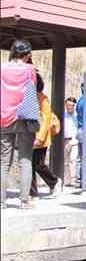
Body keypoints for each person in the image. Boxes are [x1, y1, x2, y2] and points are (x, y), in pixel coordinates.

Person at [1, 40, 41, 209]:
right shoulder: (29, 70)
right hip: (25, 118)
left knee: (3, 161)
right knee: (25, 159)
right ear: (27, 54)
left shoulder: (2, 68)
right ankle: (24, 201)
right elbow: (35, 86)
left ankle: (1, 201)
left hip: (4, 117)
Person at [30, 72, 63, 198]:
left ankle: (54, 182)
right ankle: (32, 193)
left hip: (40, 138)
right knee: (29, 166)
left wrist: (39, 138)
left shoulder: (43, 99)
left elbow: (46, 119)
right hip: (31, 136)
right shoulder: (31, 98)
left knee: (38, 165)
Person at [63, 97, 79, 186]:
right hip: (65, 140)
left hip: (74, 140)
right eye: (68, 105)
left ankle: (73, 179)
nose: (70, 107)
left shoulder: (77, 115)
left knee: (73, 159)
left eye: (72, 105)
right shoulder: (63, 115)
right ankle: (66, 179)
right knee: (65, 160)